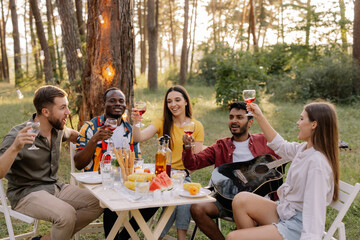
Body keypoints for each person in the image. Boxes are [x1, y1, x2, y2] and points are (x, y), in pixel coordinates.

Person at [0, 85, 103, 240]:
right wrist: (15, 147)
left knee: (98, 202)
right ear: (45, 112)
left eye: (67, 107)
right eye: (63, 108)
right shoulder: (18, 135)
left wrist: (94, 139)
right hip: (26, 193)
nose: (68, 113)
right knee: (66, 215)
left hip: (54, 187)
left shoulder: (58, 129)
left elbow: (74, 135)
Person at [226, 101, 339, 240]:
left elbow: (315, 211)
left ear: (314, 124)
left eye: (302, 119)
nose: (298, 122)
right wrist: (259, 116)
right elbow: (280, 145)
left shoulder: (317, 164)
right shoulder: (304, 149)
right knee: (241, 200)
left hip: (299, 226)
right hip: (286, 211)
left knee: (233, 237)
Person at [182, 101, 281, 240]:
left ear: (250, 122)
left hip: (258, 202)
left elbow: (285, 156)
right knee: (197, 208)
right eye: (231, 117)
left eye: (239, 117)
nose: (234, 121)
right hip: (226, 200)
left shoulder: (264, 141)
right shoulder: (221, 145)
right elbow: (193, 163)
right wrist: (187, 147)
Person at [74, 87, 158, 240]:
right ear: (103, 103)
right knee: (111, 195)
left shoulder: (130, 130)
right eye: (112, 100)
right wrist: (94, 140)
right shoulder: (91, 127)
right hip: (100, 183)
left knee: (155, 198)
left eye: (121, 101)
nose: (117, 104)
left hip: (126, 181)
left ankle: (121, 237)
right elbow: (79, 163)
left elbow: (136, 160)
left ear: (125, 105)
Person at [131, 85, 204, 240]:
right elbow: (138, 138)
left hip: (184, 175)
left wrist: (184, 173)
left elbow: (196, 161)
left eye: (177, 100)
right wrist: (136, 122)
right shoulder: (162, 122)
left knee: (182, 196)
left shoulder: (196, 126)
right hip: (162, 174)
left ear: (186, 102)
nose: (173, 104)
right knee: (180, 196)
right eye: (169, 101)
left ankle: (166, 237)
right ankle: (161, 237)